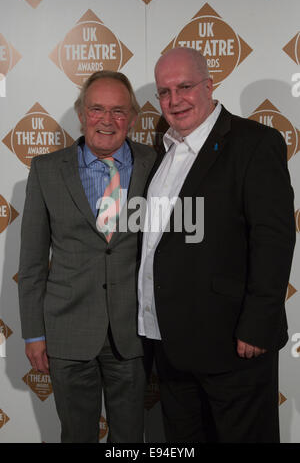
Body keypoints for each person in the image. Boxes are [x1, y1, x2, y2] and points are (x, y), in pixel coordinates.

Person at [138, 47, 295, 443]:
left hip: (233, 345)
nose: (174, 101)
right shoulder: (166, 149)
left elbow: (273, 239)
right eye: (164, 92)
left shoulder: (254, 143)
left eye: (185, 87)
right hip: (171, 346)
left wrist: (258, 327)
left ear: (209, 86)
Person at [18, 70, 156, 443]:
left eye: (118, 111)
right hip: (67, 332)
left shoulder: (156, 164)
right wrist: (33, 333)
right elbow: (31, 265)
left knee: (130, 439)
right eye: (97, 109)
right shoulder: (47, 170)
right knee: (76, 436)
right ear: (81, 113)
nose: (107, 121)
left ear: (133, 117)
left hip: (133, 335)